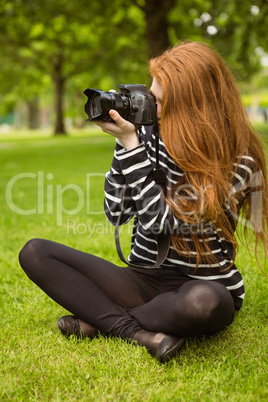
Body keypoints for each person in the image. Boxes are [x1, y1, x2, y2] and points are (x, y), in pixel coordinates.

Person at [19, 41, 268, 364]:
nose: (153, 107)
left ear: (193, 104)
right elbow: (117, 213)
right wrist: (125, 146)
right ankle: (137, 332)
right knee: (36, 252)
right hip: (143, 277)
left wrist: (132, 148)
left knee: (201, 304)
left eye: (161, 101)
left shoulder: (239, 157)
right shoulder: (146, 135)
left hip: (203, 284)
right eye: (151, 96)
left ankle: (102, 319)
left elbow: (161, 221)